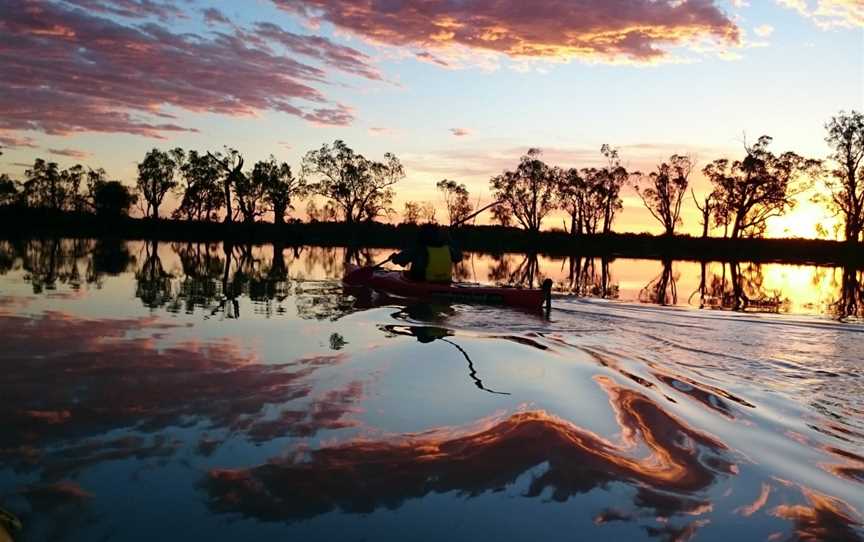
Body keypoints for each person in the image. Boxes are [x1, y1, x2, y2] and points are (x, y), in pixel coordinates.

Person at [391, 223, 462, 282]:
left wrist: (394, 257)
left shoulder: (418, 249)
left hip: (421, 284)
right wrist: (449, 238)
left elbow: (398, 260)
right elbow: (459, 257)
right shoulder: (449, 250)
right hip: (445, 284)